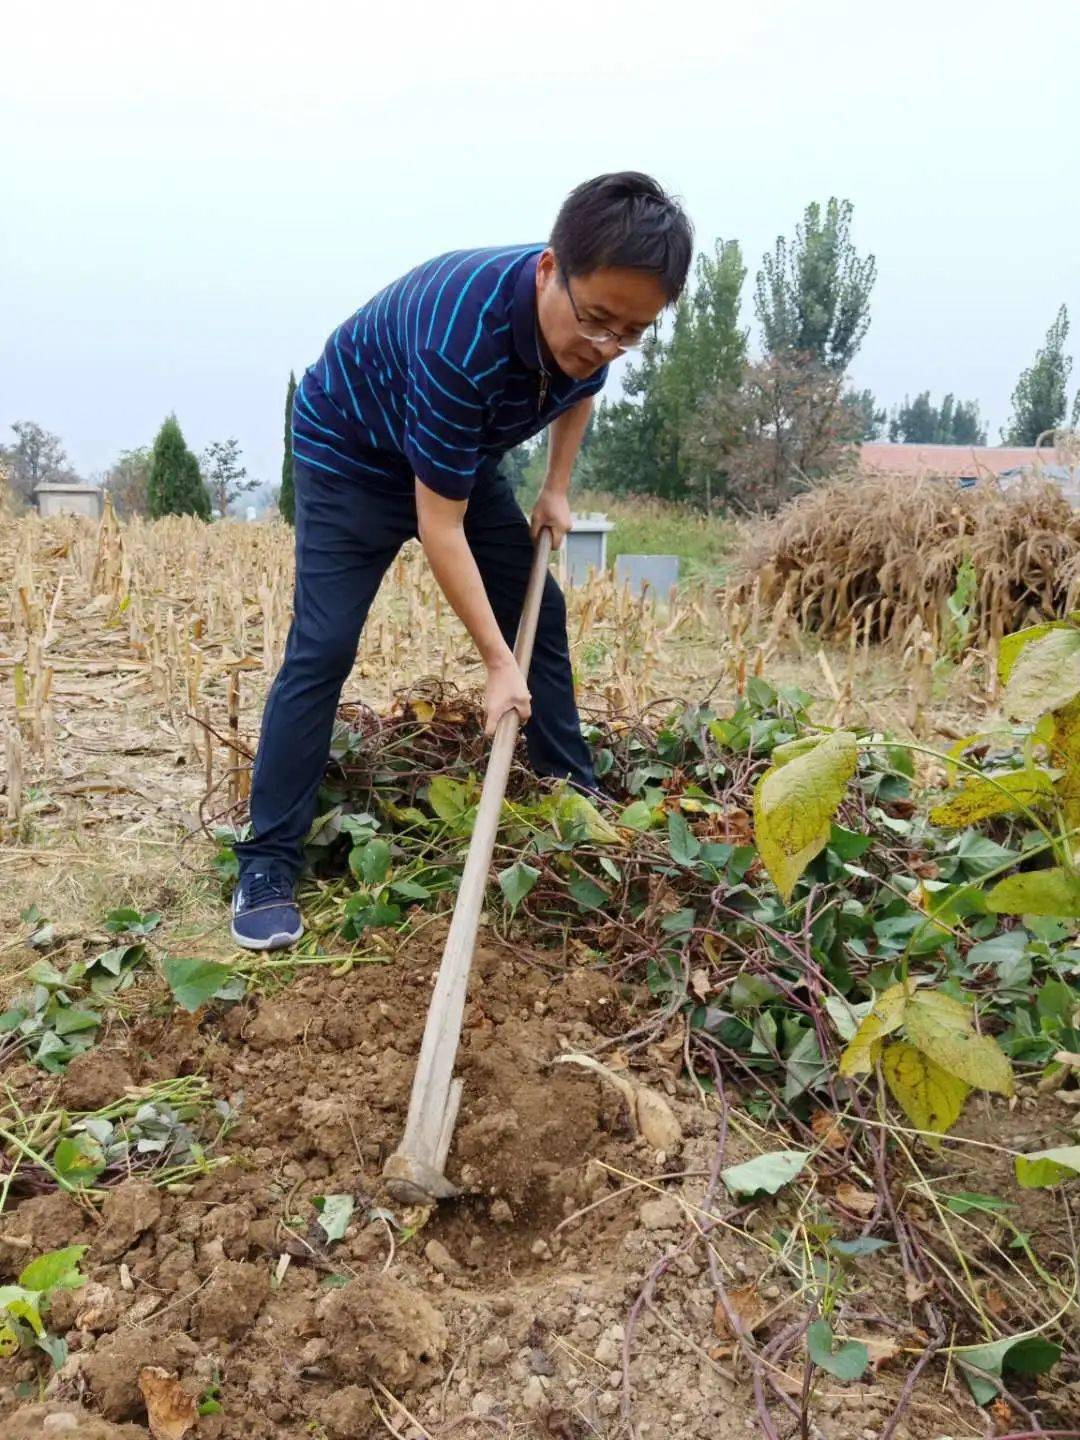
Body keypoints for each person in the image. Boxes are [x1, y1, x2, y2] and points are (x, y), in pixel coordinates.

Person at [231, 172, 693, 949]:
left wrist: (554, 488)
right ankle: (268, 860)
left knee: (537, 607)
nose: (608, 343)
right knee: (324, 645)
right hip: (352, 452)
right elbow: (438, 527)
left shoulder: (597, 319)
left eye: (633, 331)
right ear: (550, 270)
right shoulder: (463, 341)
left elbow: (583, 382)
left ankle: (569, 790)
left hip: (458, 451)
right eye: (598, 320)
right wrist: (494, 664)